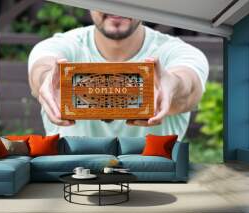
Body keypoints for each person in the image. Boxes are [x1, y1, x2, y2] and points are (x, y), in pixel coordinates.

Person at [28, 11, 209, 139]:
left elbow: (188, 87)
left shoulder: (178, 52)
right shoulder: (60, 45)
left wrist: (172, 86)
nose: (116, 6)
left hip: (157, 184)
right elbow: (41, 69)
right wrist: (46, 80)